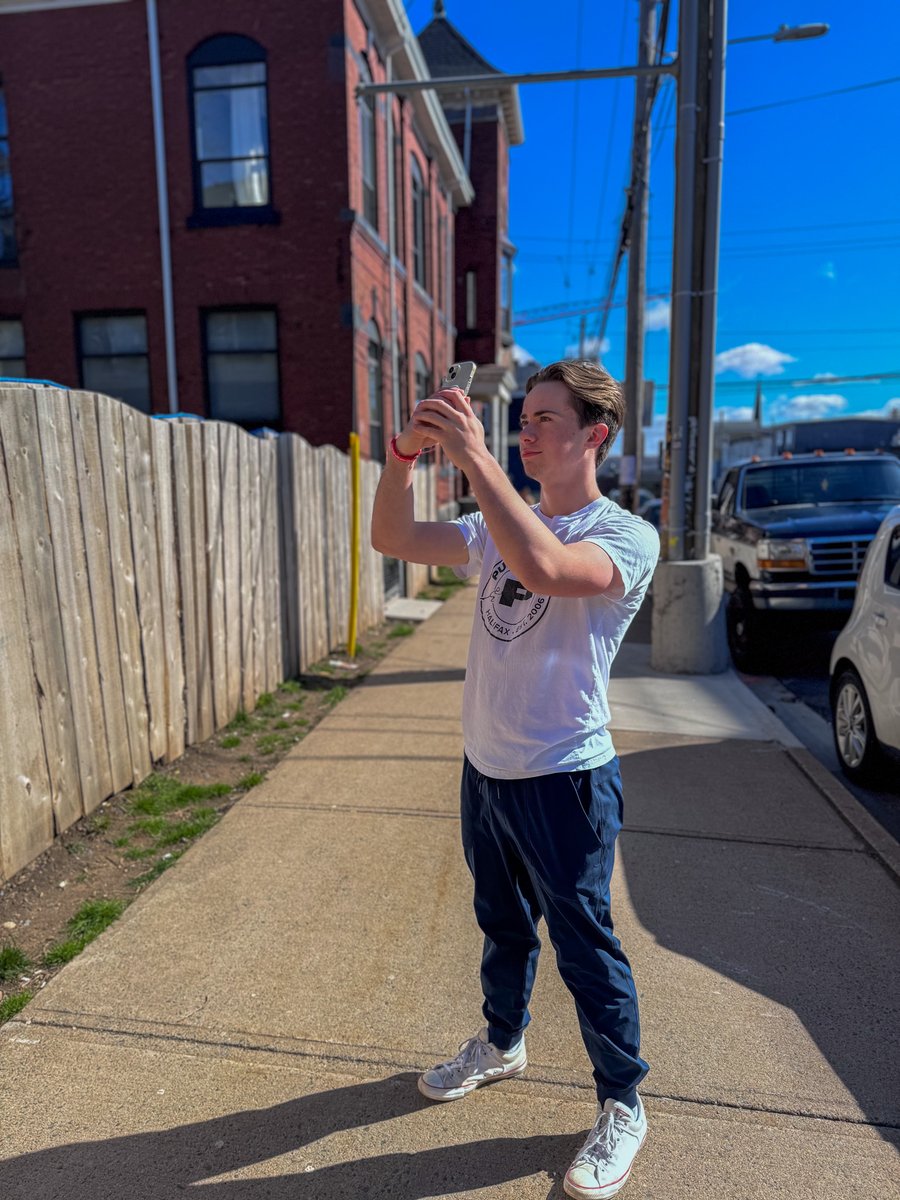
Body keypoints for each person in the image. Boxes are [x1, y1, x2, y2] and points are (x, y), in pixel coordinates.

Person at [370, 359, 659, 1200]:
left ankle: (622, 1102)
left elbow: (543, 570)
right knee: (500, 924)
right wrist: (401, 456)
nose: (524, 433)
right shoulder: (500, 519)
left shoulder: (623, 536)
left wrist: (475, 459)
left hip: (565, 777)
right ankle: (502, 1043)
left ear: (594, 436)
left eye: (543, 422)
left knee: (586, 946)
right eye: (520, 419)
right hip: (488, 771)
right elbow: (395, 540)